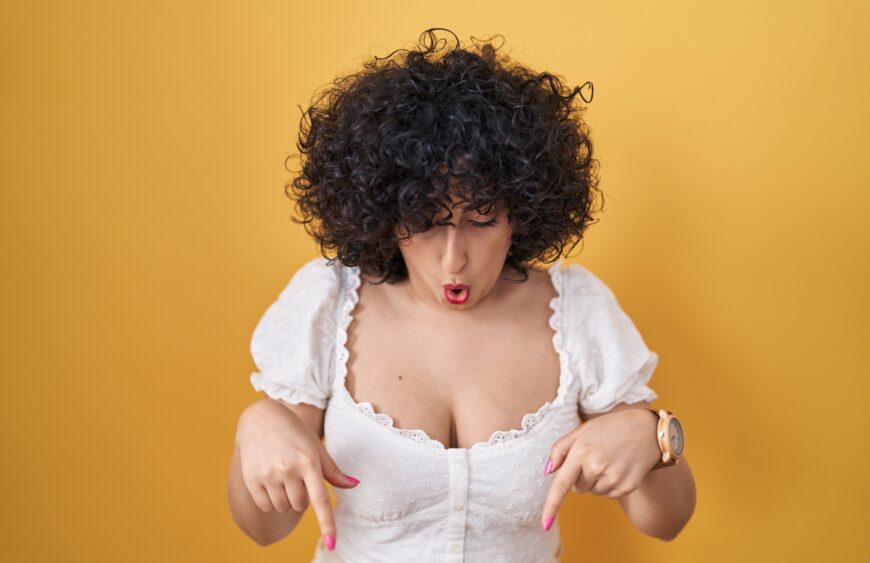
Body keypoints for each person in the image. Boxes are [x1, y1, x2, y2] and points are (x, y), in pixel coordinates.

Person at [227, 28, 696, 562]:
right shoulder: (327, 303)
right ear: (385, 213)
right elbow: (264, 529)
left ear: (521, 211)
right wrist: (255, 427)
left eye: (482, 219)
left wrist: (654, 437)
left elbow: (666, 522)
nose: (454, 259)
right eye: (426, 221)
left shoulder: (577, 311)